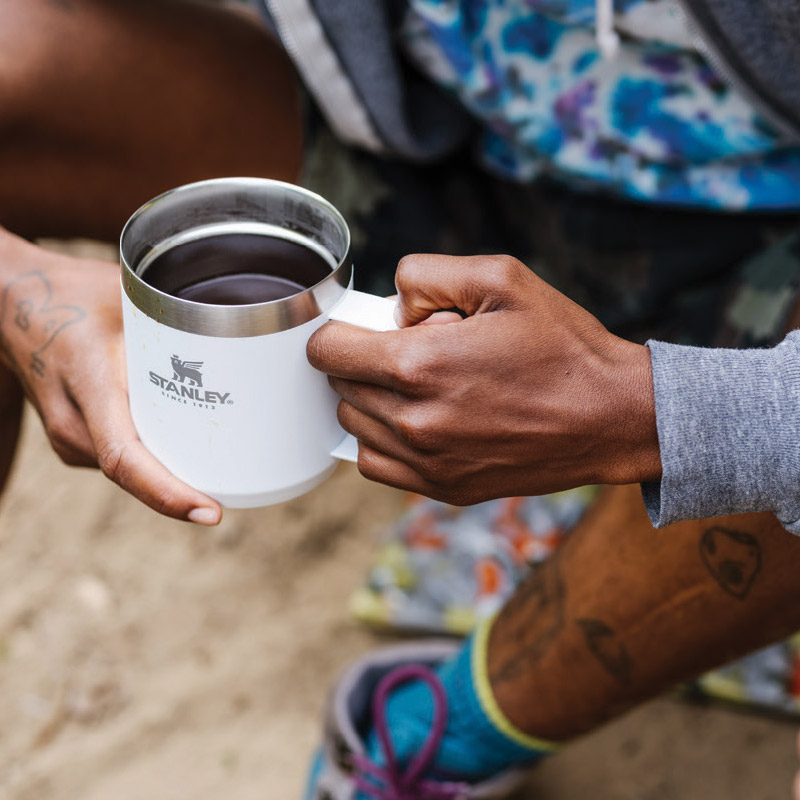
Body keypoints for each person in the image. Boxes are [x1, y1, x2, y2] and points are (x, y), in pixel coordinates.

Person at [2, 0, 800, 797]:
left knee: (775, 464)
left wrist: (656, 412)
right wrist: (14, 288)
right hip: (453, 151)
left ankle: (442, 738)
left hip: (773, 234)